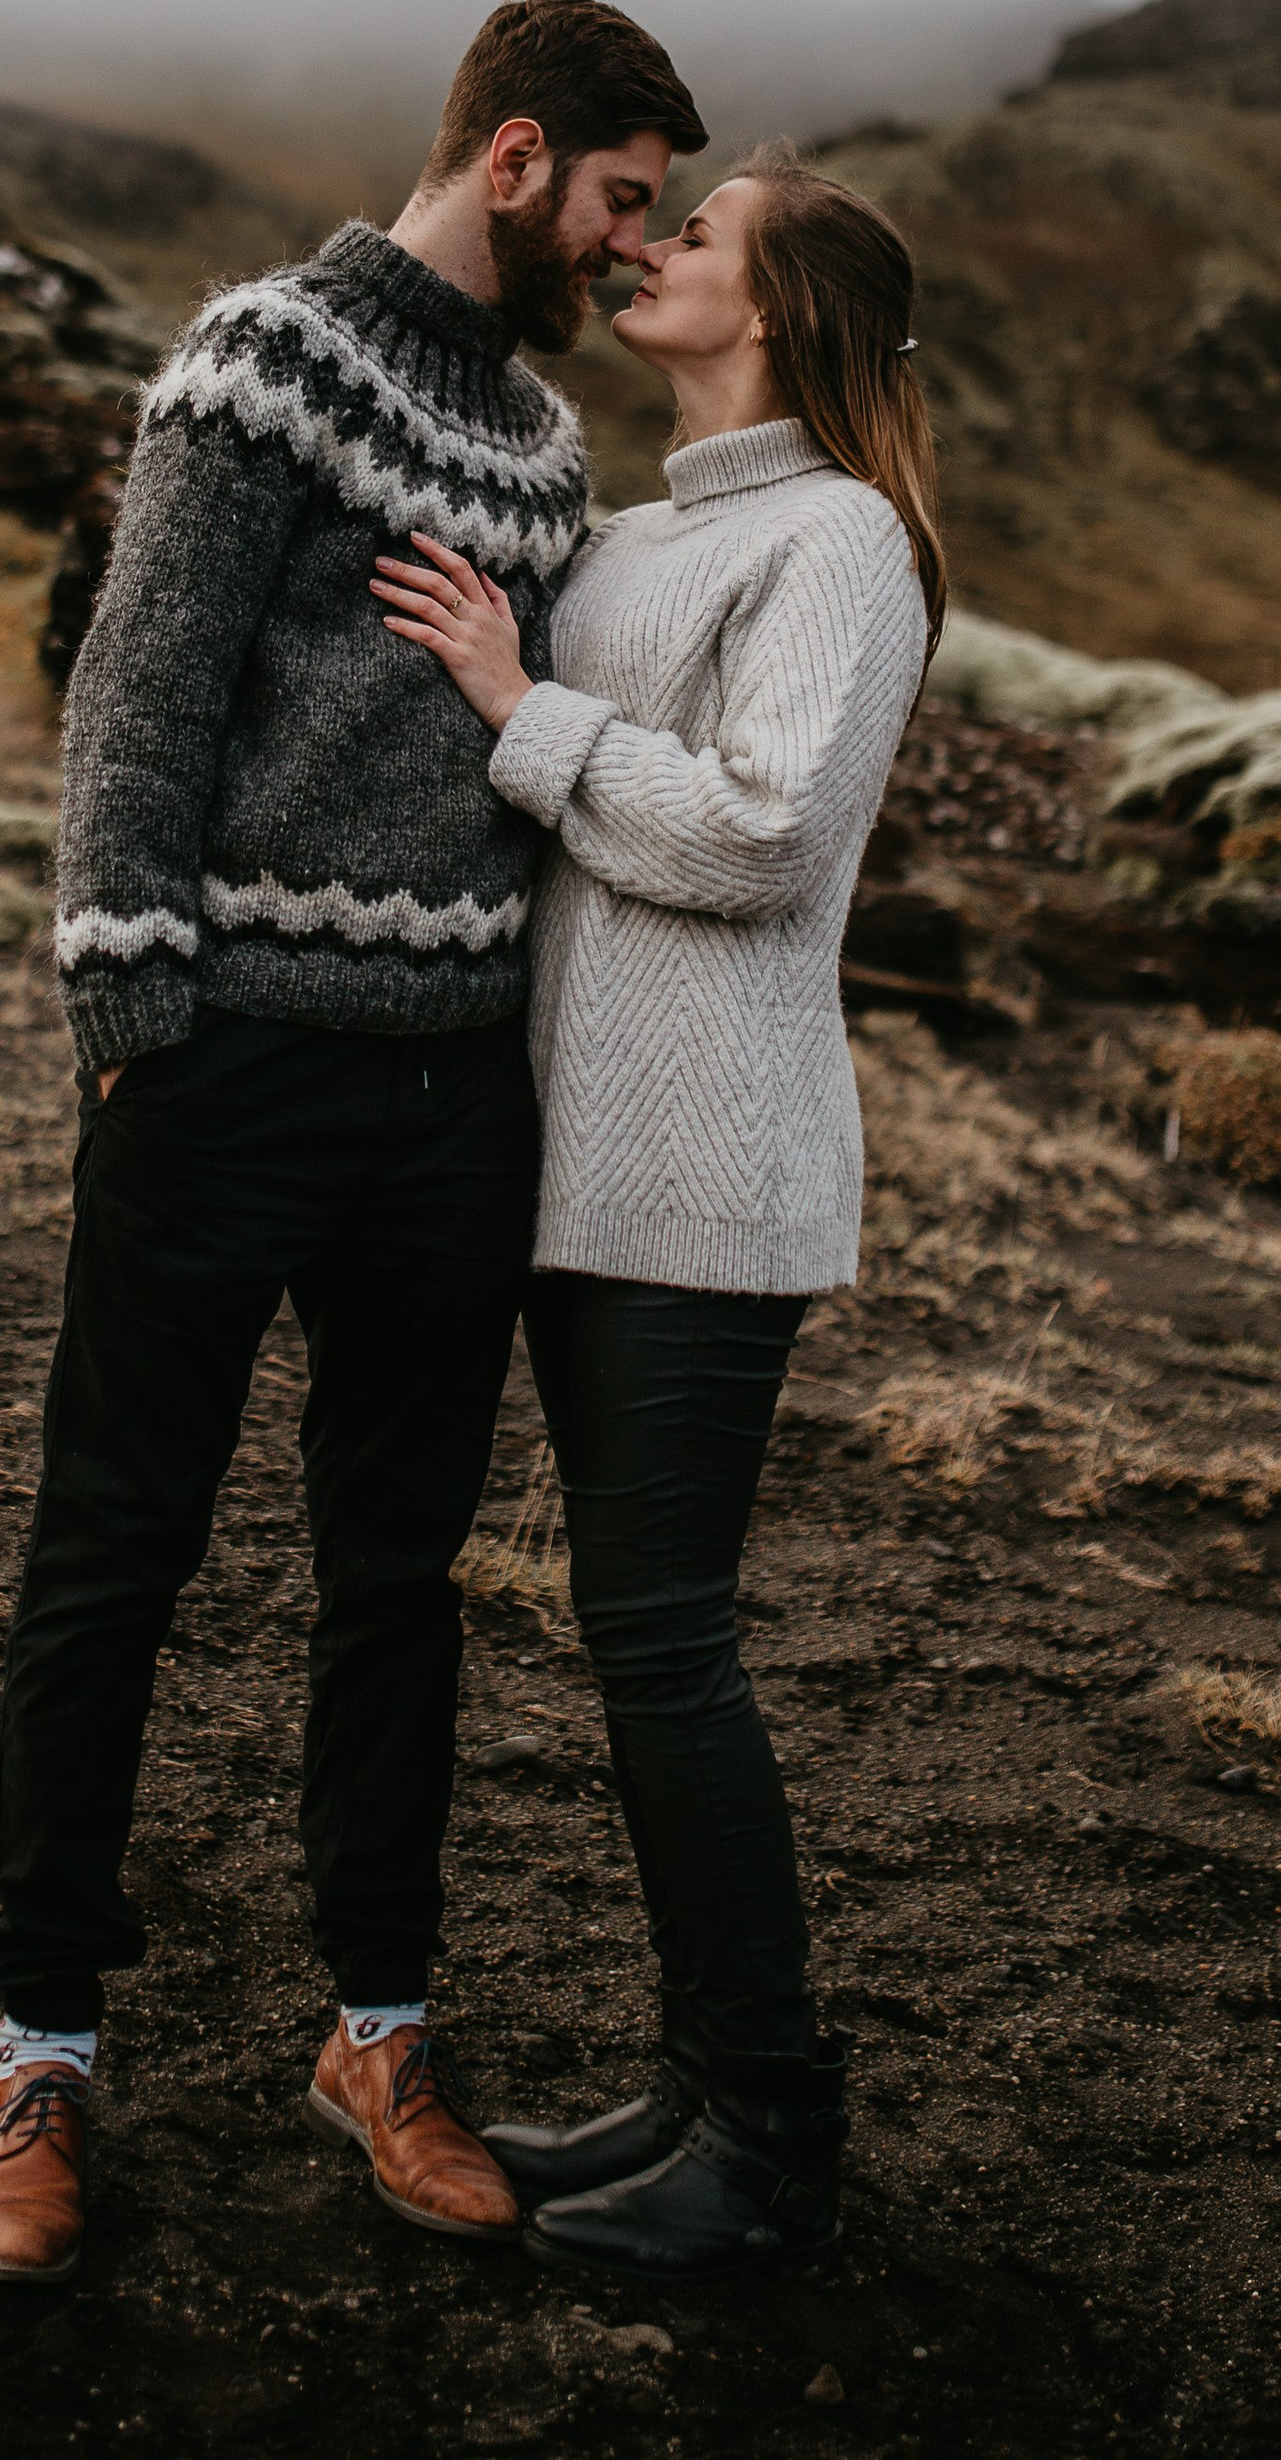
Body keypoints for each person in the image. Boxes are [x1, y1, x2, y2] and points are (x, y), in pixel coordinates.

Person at [0, 0, 709, 2285]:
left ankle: (377, 2032)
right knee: (113, 1564)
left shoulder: (545, 451)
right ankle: (36, 2053)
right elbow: (139, 688)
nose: (625, 244)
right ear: (513, 160)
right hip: (222, 1079)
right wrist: (128, 1007)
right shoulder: (257, 356)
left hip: (447, 1109)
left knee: (394, 1588)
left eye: (655, 218)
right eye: (617, 201)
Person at [373, 150, 943, 2281]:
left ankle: (770, 2145)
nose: (648, 246)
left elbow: (766, 837)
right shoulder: (634, 536)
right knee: (637, 1651)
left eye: (693, 233)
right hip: (577, 1173)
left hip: (706, 1187)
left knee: (664, 1651)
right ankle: (699, 2088)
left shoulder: (839, 550)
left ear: (779, 307)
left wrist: (520, 715)